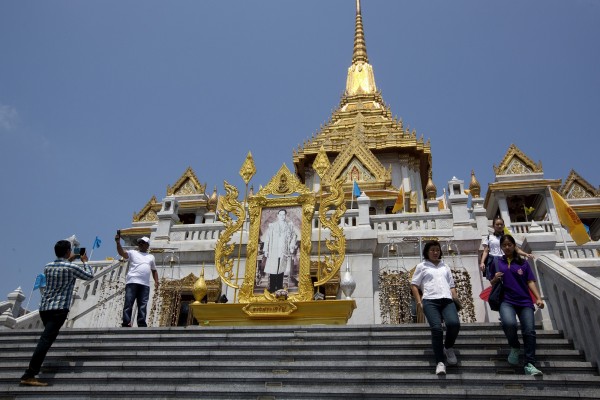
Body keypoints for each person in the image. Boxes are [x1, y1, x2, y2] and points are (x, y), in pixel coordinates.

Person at [20, 240, 94, 386]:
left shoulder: (48, 266)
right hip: (59, 309)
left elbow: (62, 267)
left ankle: (32, 371)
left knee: (47, 339)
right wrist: (85, 261)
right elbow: (89, 276)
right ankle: (29, 374)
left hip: (45, 308)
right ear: (68, 251)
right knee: (45, 340)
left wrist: (69, 258)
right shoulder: (71, 267)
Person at [489, 234, 545, 376]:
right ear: (501, 247)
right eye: (504, 245)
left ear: (514, 246)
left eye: (509, 245)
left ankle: (530, 363)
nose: (507, 247)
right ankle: (514, 346)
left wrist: (538, 298)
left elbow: (530, 281)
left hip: (525, 301)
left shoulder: (523, 263)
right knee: (509, 324)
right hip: (506, 300)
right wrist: (495, 278)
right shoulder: (496, 261)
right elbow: (492, 282)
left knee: (529, 331)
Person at [411, 240, 461, 375]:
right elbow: (414, 285)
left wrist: (455, 299)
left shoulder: (445, 266)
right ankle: (440, 361)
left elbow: (451, 285)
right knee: (436, 329)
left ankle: (448, 347)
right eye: (432, 250)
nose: (435, 252)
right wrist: (419, 301)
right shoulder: (422, 266)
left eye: (437, 250)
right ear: (427, 252)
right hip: (430, 300)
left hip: (447, 300)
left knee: (454, 324)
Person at [115, 234, 159, 327]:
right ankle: (126, 322)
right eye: (139, 243)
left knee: (143, 305)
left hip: (145, 285)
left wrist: (156, 281)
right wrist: (118, 243)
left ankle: (141, 323)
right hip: (132, 282)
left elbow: (154, 270)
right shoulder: (133, 253)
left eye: (143, 243)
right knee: (128, 303)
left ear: (147, 245)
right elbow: (122, 253)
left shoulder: (151, 257)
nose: (140, 244)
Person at [263, 209, 298, 293]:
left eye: (284, 215)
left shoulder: (289, 226)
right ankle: (272, 288)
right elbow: (267, 238)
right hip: (273, 250)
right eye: (280, 215)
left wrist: (291, 246)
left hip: (283, 251)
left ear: (286, 216)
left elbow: (294, 236)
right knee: (273, 269)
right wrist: (266, 250)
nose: (282, 216)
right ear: (278, 216)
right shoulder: (272, 226)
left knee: (281, 269)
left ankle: (279, 288)